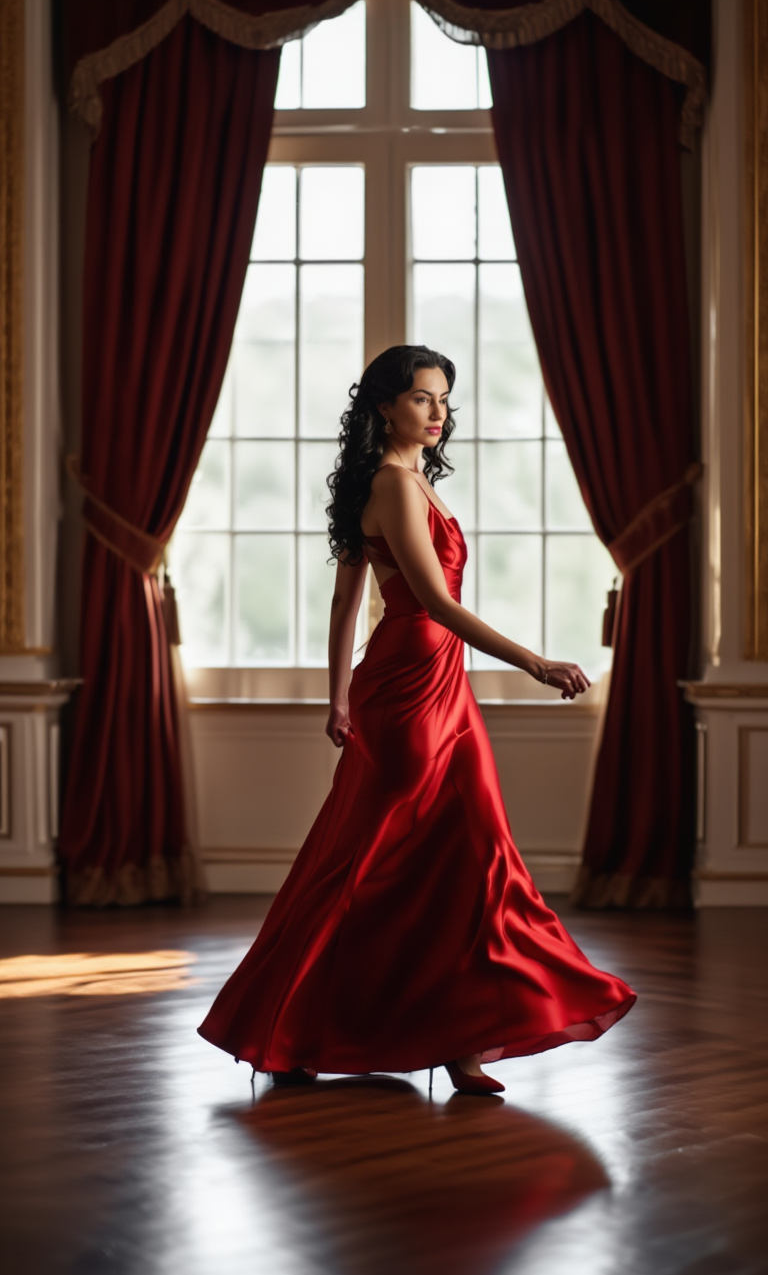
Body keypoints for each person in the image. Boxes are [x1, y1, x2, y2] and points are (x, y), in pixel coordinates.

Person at [198, 345, 636, 1095]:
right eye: (422, 399)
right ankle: (291, 1020)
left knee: (467, 855)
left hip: (437, 684)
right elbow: (431, 604)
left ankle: (459, 1035)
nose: (438, 413)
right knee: (374, 859)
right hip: (407, 690)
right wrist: (535, 663)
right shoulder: (395, 488)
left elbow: (345, 604)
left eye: (442, 400)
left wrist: (336, 696)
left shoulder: (412, 484)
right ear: (383, 407)